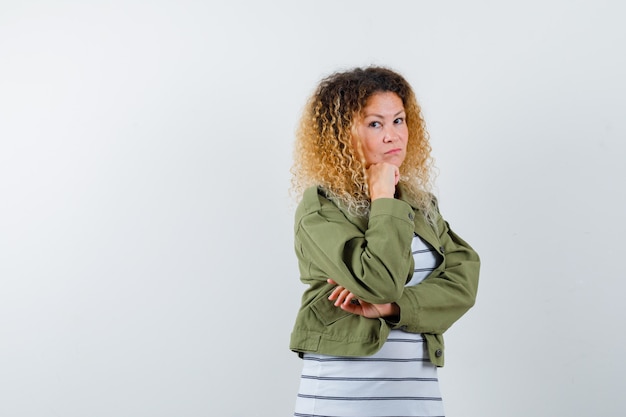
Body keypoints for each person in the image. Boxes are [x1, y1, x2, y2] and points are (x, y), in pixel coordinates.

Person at [289, 66, 480, 417]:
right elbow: (378, 282)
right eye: (375, 124)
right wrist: (382, 199)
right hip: (342, 398)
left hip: (416, 398)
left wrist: (393, 308)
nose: (394, 135)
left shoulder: (419, 205)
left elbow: (464, 283)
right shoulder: (321, 208)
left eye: (399, 120)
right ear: (341, 134)